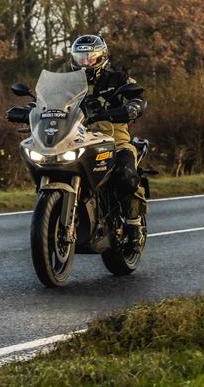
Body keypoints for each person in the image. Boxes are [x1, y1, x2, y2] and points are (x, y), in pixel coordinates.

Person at [70, 34, 147, 249]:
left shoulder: (117, 79)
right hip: (76, 141)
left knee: (125, 175)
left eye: (90, 57)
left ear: (101, 57)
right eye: (80, 58)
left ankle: (134, 224)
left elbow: (137, 96)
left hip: (114, 140)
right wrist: (32, 109)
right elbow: (47, 102)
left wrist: (134, 105)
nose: (85, 62)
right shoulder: (67, 84)